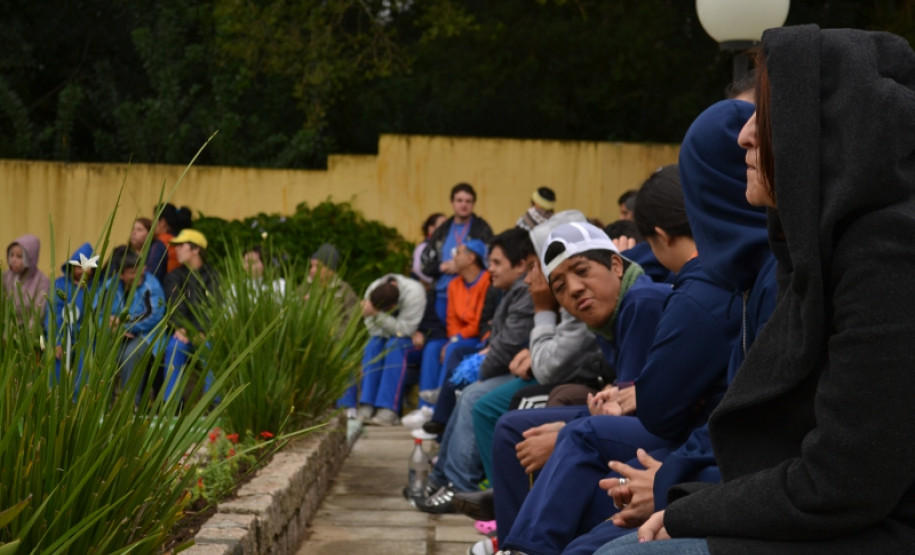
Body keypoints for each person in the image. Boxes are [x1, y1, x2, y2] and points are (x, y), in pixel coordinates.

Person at [596, 25, 915, 554]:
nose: (743, 136)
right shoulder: (816, 251)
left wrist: (686, 504)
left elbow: (843, 481)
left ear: (824, 130)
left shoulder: (888, 255)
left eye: (764, 115)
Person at [416, 228, 537, 513]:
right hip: (518, 365)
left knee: (474, 396)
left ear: (521, 264)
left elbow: (507, 347)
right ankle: (441, 477)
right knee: (467, 386)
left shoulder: (528, 291)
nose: (489, 269)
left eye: (496, 263)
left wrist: (483, 367)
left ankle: (460, 487)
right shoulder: (514, 289)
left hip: (532, 373)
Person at [356, 272, 427, 426]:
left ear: (394, 307)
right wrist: (392, 327)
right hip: (383, 337)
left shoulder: (415, 292)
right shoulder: (373, 289)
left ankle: (388, 409)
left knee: (394, 345)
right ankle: (366, 404)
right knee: (373, 344)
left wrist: (376, 315)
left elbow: (406, 330)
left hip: (414, 343)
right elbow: (372, 330)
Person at [97, 249, 166, 404]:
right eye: (132, 272)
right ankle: (101, 404)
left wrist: (123, 326)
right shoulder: (110, 286)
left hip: (146, 334)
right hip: (115, 335)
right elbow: (97, 313)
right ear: (121, 274)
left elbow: (154, 315)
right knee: (105, 355)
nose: (138, 275)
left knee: (131, 355)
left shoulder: (151, 285)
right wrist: (111, 327)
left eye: (140, 269)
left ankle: (130, 404)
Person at [421, 183, 494, 324]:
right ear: (452, 202)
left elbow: (491, 262)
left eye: (468, 201)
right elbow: (425, 262)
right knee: (440, 338)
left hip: (471, 296)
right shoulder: (442, 229)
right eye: (459, 200)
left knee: (463, 337)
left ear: (473, 204)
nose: (463, 205)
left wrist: (461, 267)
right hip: (442, 294)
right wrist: (440, 267)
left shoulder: (482, 229)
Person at [161, 228, 218, 402]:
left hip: (206, 333)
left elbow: (215, 306)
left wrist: (202, 330)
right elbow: (174, 305)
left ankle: (215, 407)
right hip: (183, 333)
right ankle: (170, 406)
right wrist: (181, 327)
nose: (176, 249)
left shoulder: (213, 276)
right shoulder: (174, 276)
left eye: (181, 245)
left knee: (211, 349)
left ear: (196, 249)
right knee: (174, 348)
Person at [46, 242, 95, 386]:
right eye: (78, 266)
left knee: (84, 367)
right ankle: (54, 399)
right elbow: (53, 313)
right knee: (55, 365)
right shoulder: (60, 285)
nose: (81, 270)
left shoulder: (94, 288)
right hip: (62, 334)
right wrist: (57, 341)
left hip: (85, 338)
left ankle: (77, 402)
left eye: (86, 267)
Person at [3, 233, 50, 327]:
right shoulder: (6, 276)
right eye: (11, 255)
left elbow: (38, 312)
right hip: (7, 329)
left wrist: (28, 334)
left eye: (19, 256)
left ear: (31, 258)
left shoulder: (42, 281)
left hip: (28, 332)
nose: (13, 260)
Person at [154, 203, 192, 274]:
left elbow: (153, 272)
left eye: (154, 219)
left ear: (162, 222)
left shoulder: (160, 243)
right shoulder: (185, 241)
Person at [129, 217, 168, 284]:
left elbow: (151, 274)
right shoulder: (126, 250)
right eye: (133, 229)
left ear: (150, 234)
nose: (134, 233)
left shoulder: (157, 247)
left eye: (139, 230)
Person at [412, 212, 447, 285]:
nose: (447, 227)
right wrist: (435, 282)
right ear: (431, 228)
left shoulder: (445, 245)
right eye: (443, 224)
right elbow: (417, 269)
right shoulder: (424, 247)